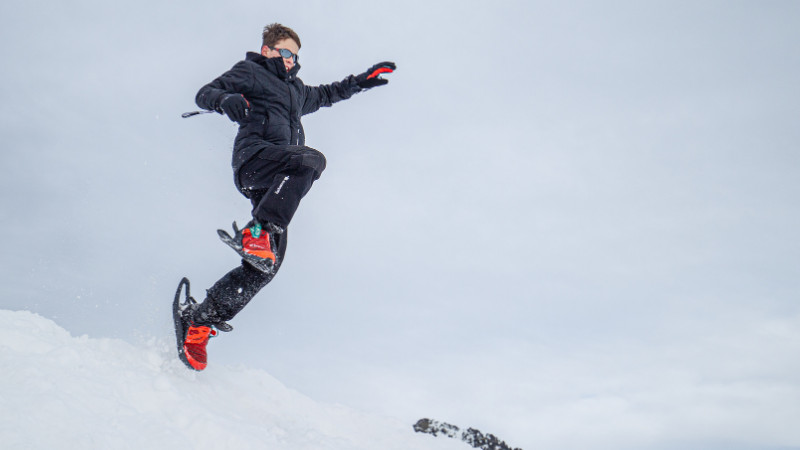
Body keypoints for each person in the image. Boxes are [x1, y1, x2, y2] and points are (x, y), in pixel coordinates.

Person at [174, 23, 395, 371]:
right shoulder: (251, 72)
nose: (293, 60)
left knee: (265, 268)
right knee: (310, 159)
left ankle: (199, 323)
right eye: (287, 52)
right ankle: (257, 230)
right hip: (255, 160)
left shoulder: (296, 91)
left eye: (296, 55)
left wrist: (363, 81)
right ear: (269, 51)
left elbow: (328, 93)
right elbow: (205, 93)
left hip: (277, 182)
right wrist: (225, 99)